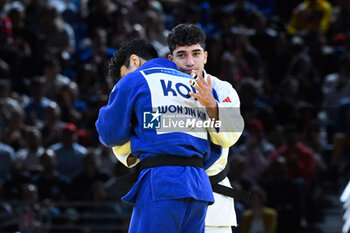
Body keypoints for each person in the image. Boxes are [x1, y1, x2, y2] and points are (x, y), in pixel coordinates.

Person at [95, 38, 238, 233]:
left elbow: (110, 134)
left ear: (134, 61)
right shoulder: (200, 86)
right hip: (200, 188)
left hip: (163, 182)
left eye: (122, 75)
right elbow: (216, 148)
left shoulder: (136, 79)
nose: (123, 80)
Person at [167, 23, 244, 233]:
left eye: (196, 53)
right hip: (168, 197)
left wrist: (212, 105)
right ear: (170, 59)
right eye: (181, 55)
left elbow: (230, 138)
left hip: (212, 204)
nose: (190, 62)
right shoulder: (158, 92)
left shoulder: (221, 89)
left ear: (206, 56)